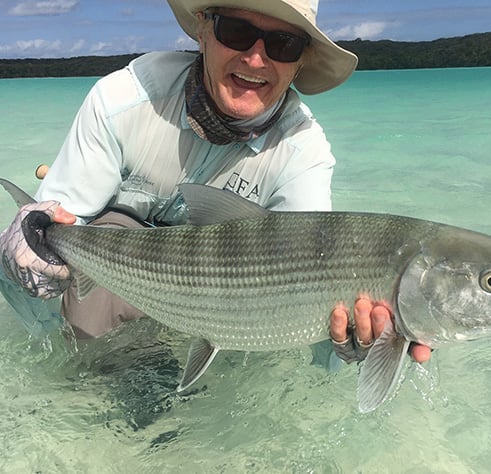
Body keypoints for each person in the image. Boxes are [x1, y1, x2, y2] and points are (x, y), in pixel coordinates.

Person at [0, 0, 430, 367]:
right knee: (78, 249)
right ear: (204, 31)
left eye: (284, 44)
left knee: (315, 336)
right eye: (237, 31)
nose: (256, 59)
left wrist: (359, 342)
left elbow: (311, 271)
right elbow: (55, 221)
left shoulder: (304, 152)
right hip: (121, 275)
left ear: (301, 62)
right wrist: (33, 235)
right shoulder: (123, 102)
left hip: (222, 299)